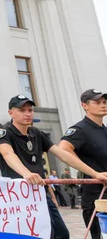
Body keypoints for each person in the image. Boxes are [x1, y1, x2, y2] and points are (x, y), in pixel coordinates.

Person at [0, 94, 107, 239]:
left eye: (30, 110)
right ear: (11, 112)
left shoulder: (36, 133)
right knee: (25, 234)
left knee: (60, 233)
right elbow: (8, 154)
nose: (28, 114)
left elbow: (61, 154)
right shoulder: (3, 132)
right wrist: (26, 173)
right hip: (17, 195)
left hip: (39, 191)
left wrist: (94, 173)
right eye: (22, 110)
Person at [58, 89, 107, 239]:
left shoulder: (104, 130)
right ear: (84, 105)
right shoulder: (80, 129)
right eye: (97, 102)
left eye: (104, 102)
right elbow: (63, 150)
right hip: (96, 193)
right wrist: (93, 173)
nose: (103, 105)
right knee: (101, 235)